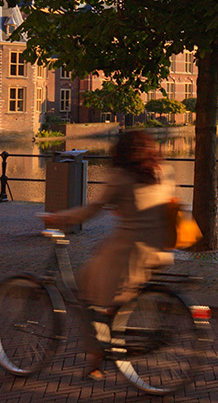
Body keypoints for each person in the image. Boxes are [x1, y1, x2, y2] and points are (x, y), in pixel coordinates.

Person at [39, 129, 174, 379]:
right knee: (109, 285)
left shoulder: (122, 177)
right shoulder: (161, 172)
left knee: (85, 288)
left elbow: (91, 210)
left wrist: (57, 218)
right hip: (160, 251)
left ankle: (95, 358)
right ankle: (110, 336)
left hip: (130, 254)